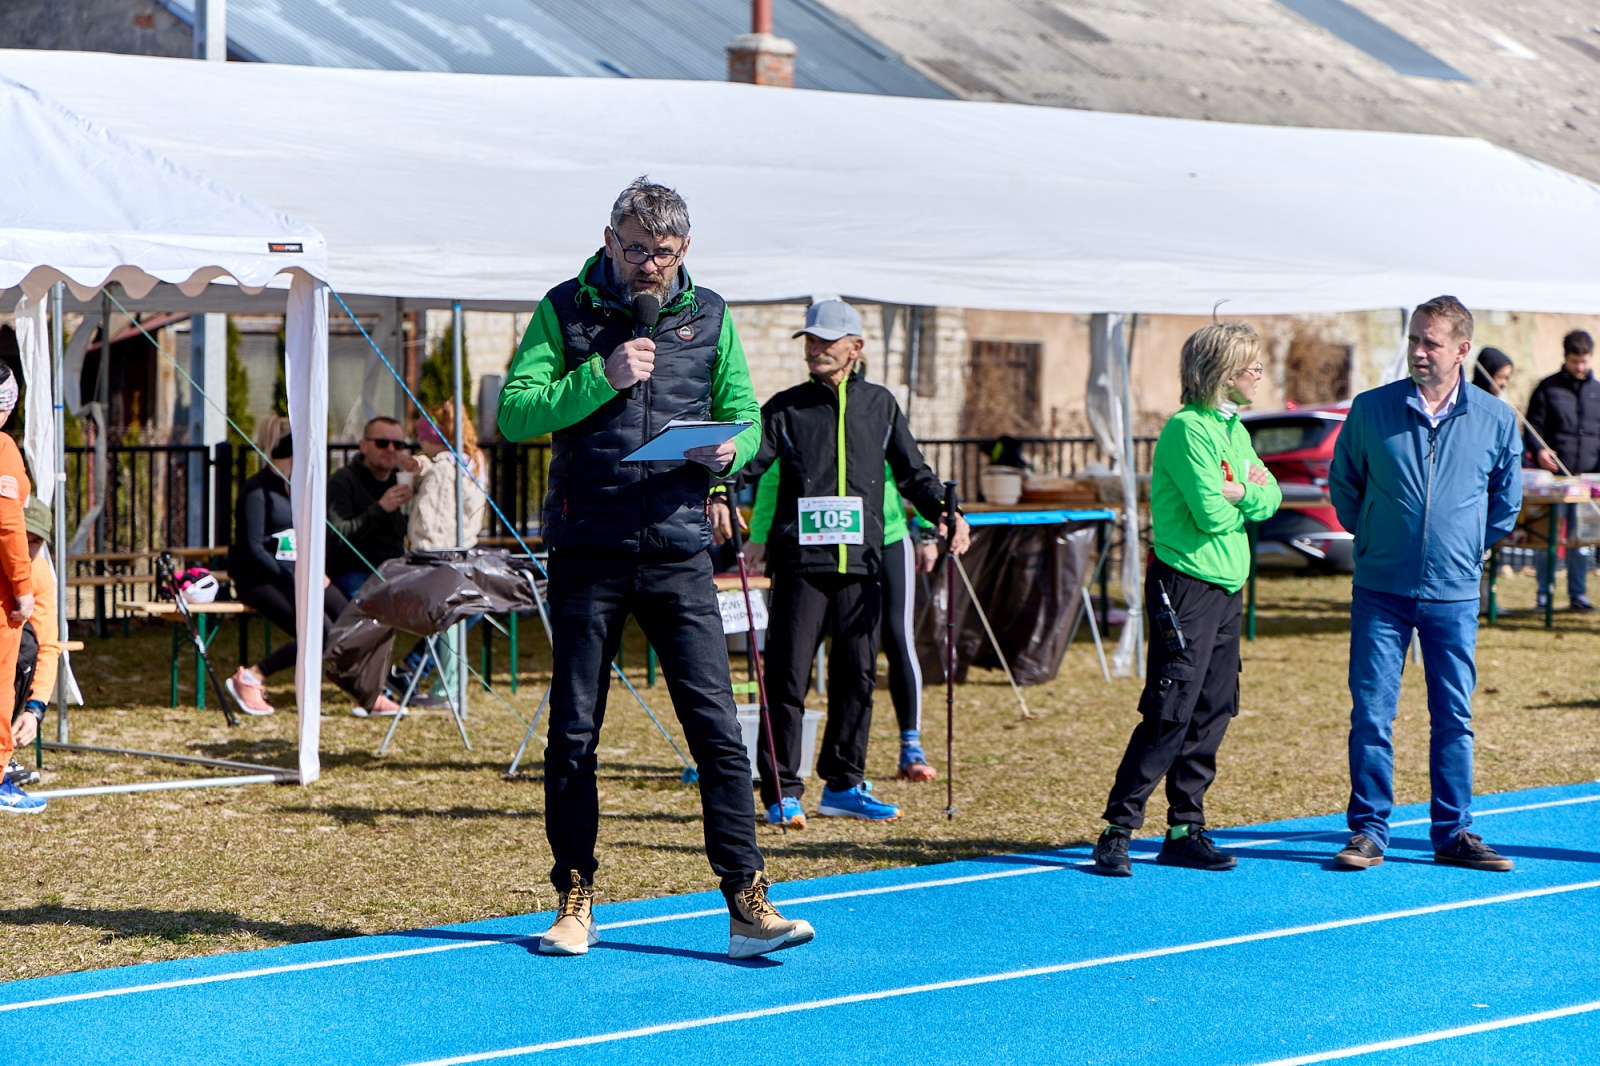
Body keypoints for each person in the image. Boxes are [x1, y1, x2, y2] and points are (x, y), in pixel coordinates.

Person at [497, 176, 813, 960]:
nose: (647, 266)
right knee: (573, 734)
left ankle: (747, 905)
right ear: (608, 240)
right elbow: (513, 413)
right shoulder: (563, 309)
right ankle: (574, 900)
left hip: (678, 550)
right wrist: (600, 376)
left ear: (685, 251)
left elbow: (741, 411)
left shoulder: (710, 316)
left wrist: (727, 452)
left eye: (662, 253)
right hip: (588, 546)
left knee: (717, 733)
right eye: (634, 249)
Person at [728, 299, 968, 828]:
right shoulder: (785, 408)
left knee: (857, 675)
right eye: (809, 340)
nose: (815, 349)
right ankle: (781, 791)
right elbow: (750, 466)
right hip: (801, 566)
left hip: (862, 565)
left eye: (826, 341)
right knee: (787, 679)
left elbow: (914, 473)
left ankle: (843, 783)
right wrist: (718, 489)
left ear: (855, 349)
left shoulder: (879, 405)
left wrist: (948, 514)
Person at [1329, 296, 1521, 872]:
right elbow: (1346, 486)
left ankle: (1453, 831)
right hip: (1381, 588)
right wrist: (1375, 539)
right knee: (1371, 712)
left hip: (1455, 592)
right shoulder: (1370, 409)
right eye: (1414, 339)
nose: (1417, 351)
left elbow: (1505, 506)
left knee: (1454, 716)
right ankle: (1367, 831)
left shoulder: (1496, 418)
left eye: (1430, 342)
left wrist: (1460, 550)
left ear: (1462, 349)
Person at [1091, 323, 1280, 876]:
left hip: (1227, 587)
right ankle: (1117, 829)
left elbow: (1269, 499)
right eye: (1252, 367)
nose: (1258, 377)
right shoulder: (1186, 430)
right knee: (1171, 708)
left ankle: (1184, 826)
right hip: (1186, 585)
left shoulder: (1235, 431)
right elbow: (1210, 513)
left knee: (1214, 706)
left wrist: (1243, 490)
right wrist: (1240, 498)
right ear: (1223, 373)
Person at [747, 463, 942, 785]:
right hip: (825, 544)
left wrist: (927, 530)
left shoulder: (878, 412)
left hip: (888, 538)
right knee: (806, 654)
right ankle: (790, 770)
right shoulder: (797, 416)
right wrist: (758, 534)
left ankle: (911, 747)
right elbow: (773, 475)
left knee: (896, 637)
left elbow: (912, 469)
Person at [227, 425, 402, 717]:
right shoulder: (256, 491)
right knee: (320, 633)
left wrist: (313, 570)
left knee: (354, 619)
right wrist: (295, 577)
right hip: (262, 579)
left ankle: (367, 694)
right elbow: (253, 549)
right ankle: (251, 677)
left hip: (302, 574)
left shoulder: (299, 489)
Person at [390, 400, 489, 700]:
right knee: (460, 614)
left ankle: (426, 677)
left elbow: (432, 517)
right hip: (463, 552)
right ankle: (421, 674)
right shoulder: (472, 460)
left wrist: (418, 549)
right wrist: (421, 466)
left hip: (438, 557)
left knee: (452, 617)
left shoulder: (445, 469)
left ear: (433, 438)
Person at [1524, 330, 1600, 612]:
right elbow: (1533, 427)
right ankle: (1544, 595)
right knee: (1547, 538)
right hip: (1553, 481)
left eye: (1584, 361)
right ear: (1565, 357)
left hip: (1586, 482)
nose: (1580, 367)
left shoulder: (1597, 392)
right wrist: (1540, 450)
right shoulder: (1547, 389)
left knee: (1581, 542)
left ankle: (1578, 595)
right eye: (1574, 361)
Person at [0, 366, 43, 813]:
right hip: (0, 595)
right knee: (0, 686)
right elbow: (9, 524)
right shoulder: (3, 448)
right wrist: (23, 587)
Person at [326, 416, 413, 599]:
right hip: (354, 571)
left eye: (398, 445)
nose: (391, 449)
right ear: (363, 446)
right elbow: (338, 536)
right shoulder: (343, 481)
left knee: (461, 603)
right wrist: (380, 508)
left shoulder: (398, 480)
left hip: (395, 570)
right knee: (371, 606)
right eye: (382, 443)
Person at [7, 498, 61, 785]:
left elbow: (49, 645)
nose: (26, 550)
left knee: (27, 644)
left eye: (35, 541)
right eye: (20, 538)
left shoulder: (39, 574)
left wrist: (35, 709)